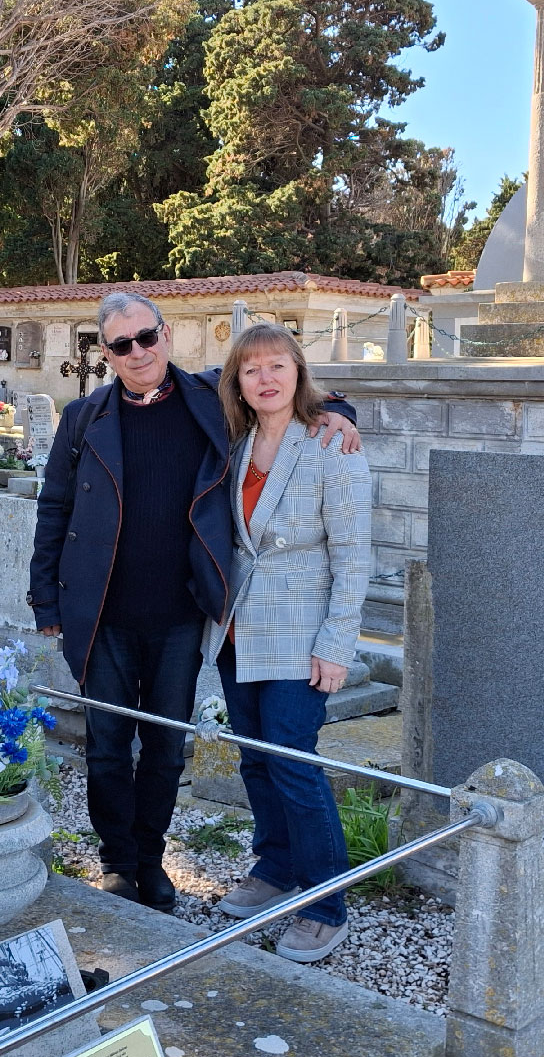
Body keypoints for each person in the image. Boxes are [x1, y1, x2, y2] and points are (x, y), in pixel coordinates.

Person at [28, 291, 360, 912]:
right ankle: (118, 862)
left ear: (166, 334)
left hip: (181, 615)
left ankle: (152, 861)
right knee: (106, 745)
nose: (138, 352)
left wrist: (339, 411)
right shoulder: (82, 417)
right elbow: (55, 507)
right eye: (122, 344)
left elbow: (284, 388)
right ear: (106, 353)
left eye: (147, 337)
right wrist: (45, 597)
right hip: (102, 615)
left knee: (165, 749)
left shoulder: (210, 398)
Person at [203, 321, 371, 963]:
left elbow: (352, 553)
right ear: (238, 383)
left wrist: (338, 642)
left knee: (293, 760)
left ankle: (326, 904)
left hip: (302, 635)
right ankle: (276, 867)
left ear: (299, 373)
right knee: (254, 757)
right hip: (237, 630)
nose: (265, 378)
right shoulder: (234, 441)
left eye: (278, 365)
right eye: (252, 369)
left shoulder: (330, 443)